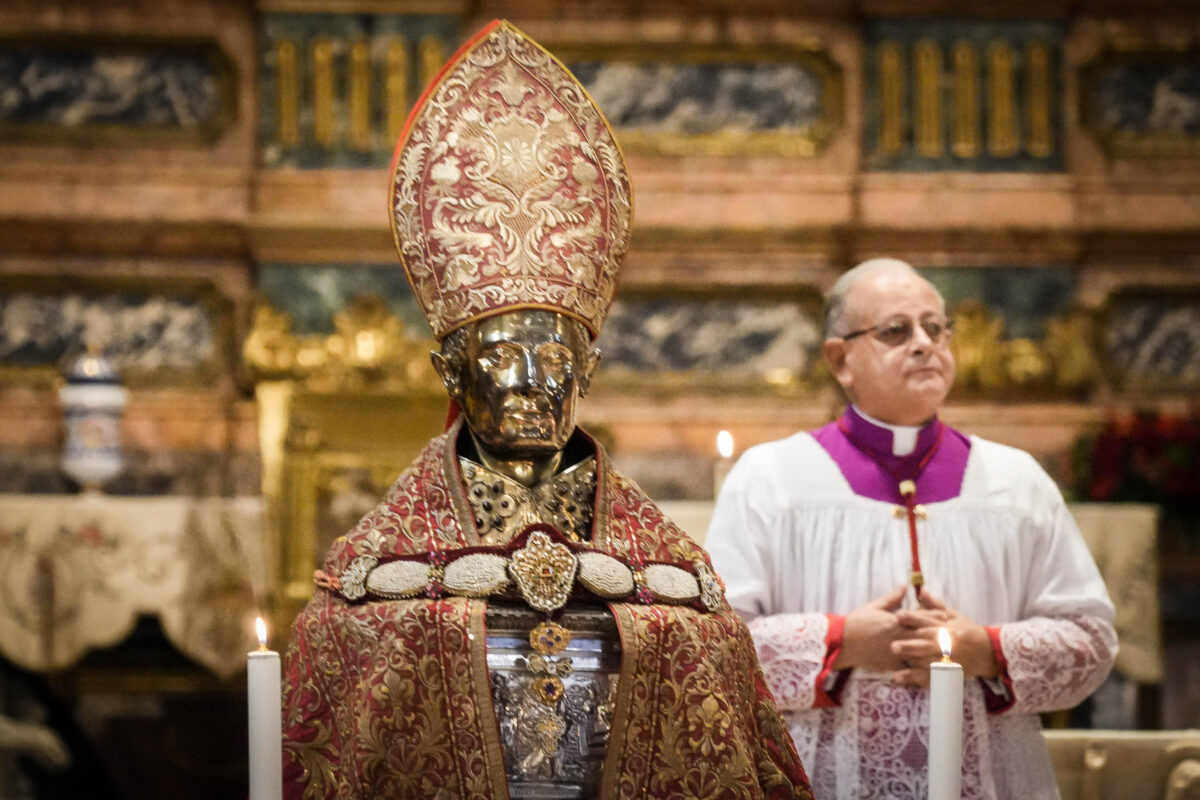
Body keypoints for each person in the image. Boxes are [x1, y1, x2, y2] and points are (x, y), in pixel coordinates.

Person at [279, 20, 812, 800]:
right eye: (499, 357)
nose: (532, 382)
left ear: (588, 371)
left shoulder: (674, 573)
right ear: (449, 373)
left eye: (556, 358)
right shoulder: (372, 576)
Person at [705, 258, 1117, 800]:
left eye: (935, 327)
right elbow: (713, 646)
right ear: (840, 358)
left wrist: (985, 650)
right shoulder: (771, 478)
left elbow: (1091, 640)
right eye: (896, 331)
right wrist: (838, 643)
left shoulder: (1016, 482)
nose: (924, 343)